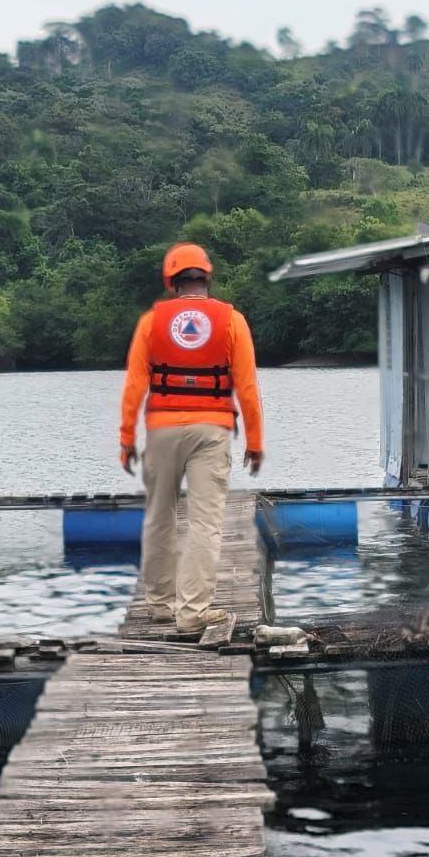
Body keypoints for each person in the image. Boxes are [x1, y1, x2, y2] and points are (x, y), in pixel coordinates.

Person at [120, 242, 264, 634]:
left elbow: (135, 384)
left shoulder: (152, 322)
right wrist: (255, 441)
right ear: (207, 278)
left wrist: (126, 438)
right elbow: (247, 387)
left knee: (159, 516)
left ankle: (161, 605)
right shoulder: (232, 321)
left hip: (162, 429)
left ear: (172, 282)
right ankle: (193, 614)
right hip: (211, 429)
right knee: (204, 522)